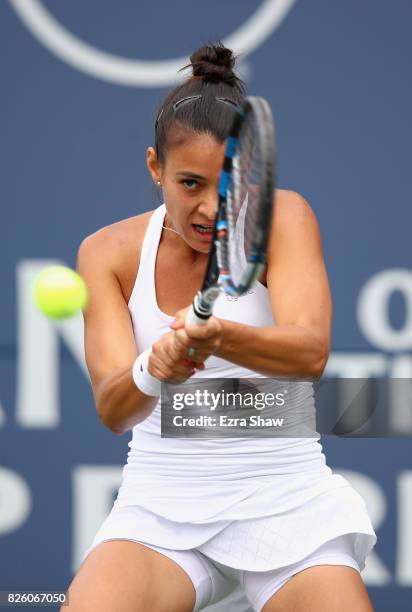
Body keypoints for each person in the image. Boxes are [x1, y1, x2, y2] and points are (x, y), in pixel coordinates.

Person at [64, 43, 376, 612]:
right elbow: (113, 410)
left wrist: (220, 337)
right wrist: (152, 368)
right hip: (160, 510)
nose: (211, 207)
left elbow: (311, 353)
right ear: (155, 167)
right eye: (189, 184)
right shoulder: (106, 253)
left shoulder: (286, 217)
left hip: (289, 502)